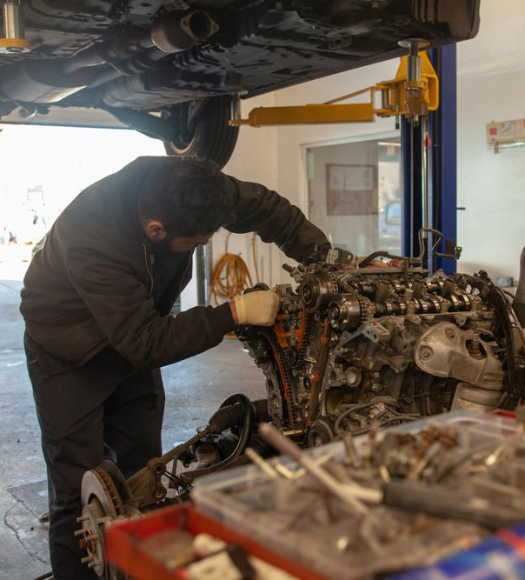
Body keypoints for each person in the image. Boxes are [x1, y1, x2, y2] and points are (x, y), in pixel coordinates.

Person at [20, 156, 328, 580]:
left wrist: (324, 261)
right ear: (156, 230)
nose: (203, 246)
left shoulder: (193, 188)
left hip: (134, 333)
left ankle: (138, 567)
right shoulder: (94, 238)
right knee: (80, 488)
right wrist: (232, 313)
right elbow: (145, 342)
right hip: (69, 351)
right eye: (197, 242)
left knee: (142, 471)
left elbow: (267, 208)